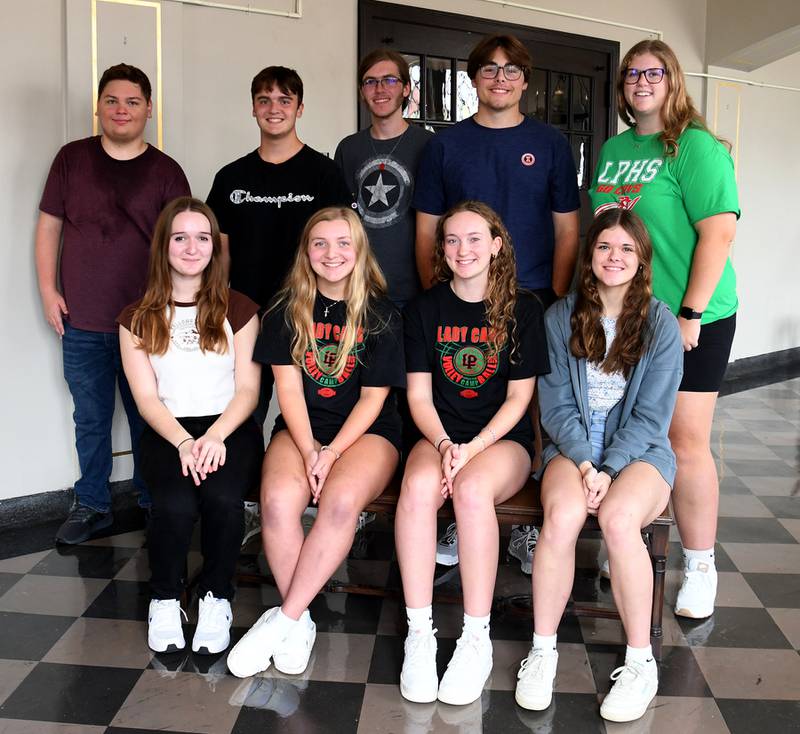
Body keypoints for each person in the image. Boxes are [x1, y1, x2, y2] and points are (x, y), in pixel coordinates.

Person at [413, 33, 580, 573]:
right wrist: (440, 295)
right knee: (458, 401)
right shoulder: (445, 145)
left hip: (529, 296)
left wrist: (553, 300)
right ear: (473, 78)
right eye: (489, 69)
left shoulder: (550, 143)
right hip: (459, 294)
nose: (500, 78)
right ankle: (460, 516)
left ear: (525, 82)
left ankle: (524, 527)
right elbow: (429, 233)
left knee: (532, 415)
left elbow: (567, 229)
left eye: (511, 70)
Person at [589, 39, 740, 619]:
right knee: (625, 428)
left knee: (684, 440)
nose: (641, 81)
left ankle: (700, 562)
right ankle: (626, 534)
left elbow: (719, 234)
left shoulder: (695, 148)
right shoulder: (615, 149)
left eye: (653, 72)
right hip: (627, 316)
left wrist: (690, 314)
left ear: (673, 79)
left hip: (691, 317)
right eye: (632, 74)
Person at [515, 207, 683, 723]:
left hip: (641, 454)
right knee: (562, 517)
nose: (615, 257)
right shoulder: (558, 318)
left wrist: (609, 468)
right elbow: (558, 407)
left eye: (626, 249)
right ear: (590, 255)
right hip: (573, 450)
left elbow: (653, 417)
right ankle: (542, 652)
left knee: (617, 518)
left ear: (641, 260)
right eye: (605, 247)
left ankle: (640, 661)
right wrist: (587, 464)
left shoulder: (661, 325)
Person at [225, 207, 404, 678]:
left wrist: (332, 453)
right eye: (320, 243)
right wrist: (309, 450)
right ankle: (300, 622)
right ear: (306, 251)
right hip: (302, 429)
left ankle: (281, 620)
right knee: (279, 499)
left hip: (367, 434)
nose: (332, 253)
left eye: (344, 243)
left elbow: (372, 400)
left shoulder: (382, 313)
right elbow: (287, 391)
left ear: (360, 250)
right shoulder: (285, 308)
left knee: (341, 502)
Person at [396, 201, 550, 706]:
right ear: (442, 249)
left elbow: (518, 399)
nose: (464, 250)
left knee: (472, 488)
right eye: (453, 240)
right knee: (418, 487)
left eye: (475, 239)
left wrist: (472, 450)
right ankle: (420, 634)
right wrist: (444, 445)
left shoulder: (523, 309)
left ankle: (474, 636)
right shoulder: (423, 309)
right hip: (438, 433)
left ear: (497, 246)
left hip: (501, 441)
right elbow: (418, 397)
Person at [36, 63, 191, 544]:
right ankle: (92, 505)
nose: (121, 110)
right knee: (91, 418)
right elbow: (49, 227)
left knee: (153, 417)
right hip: (81, 319)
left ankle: (153, 502)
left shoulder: (166, 171)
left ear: (148, 109)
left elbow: (185, 242)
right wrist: (47, 289)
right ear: (99, 106)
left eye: (132, 102)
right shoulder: (71, 160)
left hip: (147, 324)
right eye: (112, 101)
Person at [118, 197, 262, 654]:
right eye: (180, 237)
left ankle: (217, 596)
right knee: (175, 506)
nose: (192, 247)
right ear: (163, 246)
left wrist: (215, 436)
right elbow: (145, 397)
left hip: (228, 425)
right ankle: (164, 597)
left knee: (222, 499)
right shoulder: (136, 316)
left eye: (203, 238)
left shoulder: (239, 309)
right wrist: (183, 441)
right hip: (168, 429)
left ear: (214, 248)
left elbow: (248, 392)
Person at [335, 49, 433, 310]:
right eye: (370, 81)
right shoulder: (348, 148)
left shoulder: (429, 145)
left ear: (405, 89)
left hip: (416, 290)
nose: (380, 89)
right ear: (361, 90)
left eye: (389, 80)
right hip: (359, 289)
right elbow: (342, 218)